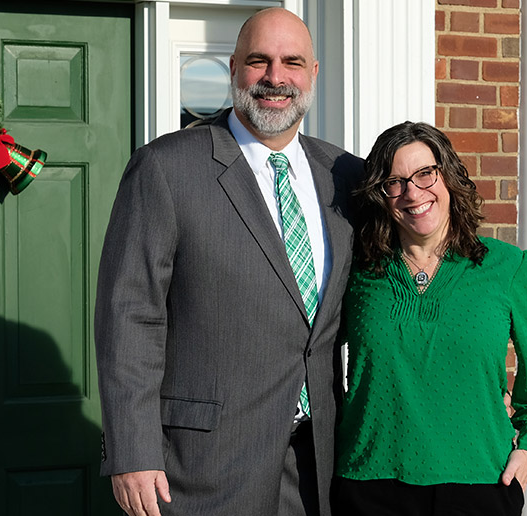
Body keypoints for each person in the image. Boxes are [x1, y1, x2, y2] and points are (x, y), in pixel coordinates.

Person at [94, 8, 362, 516]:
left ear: (314, 73)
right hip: (202, 468)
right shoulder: (166, 168)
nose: (275, 78)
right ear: (234, 67)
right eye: (258, 61)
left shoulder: (346, 176)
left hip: (321, 466)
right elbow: (129, 314)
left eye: (292, 62)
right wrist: (132, 450)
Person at [332, 122, 527, 516]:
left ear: (449, 176)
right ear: (381, 195)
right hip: (367, 484)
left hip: (478, 484)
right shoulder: (356, 271)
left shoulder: (508, 267)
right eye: (395, 182)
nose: (413, 193)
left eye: (425, 174)